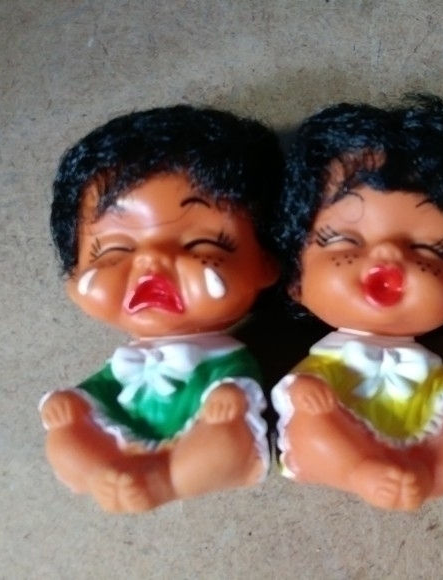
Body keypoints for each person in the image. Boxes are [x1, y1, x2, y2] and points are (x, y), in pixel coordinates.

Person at [41, 105, 281, 512]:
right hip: (122, 436)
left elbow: (237, 383)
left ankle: (167, 479)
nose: (151, 263)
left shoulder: (225, 357)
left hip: (195, 440)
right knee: (65, 435)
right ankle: (101, 475)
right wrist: (75, 405)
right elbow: (103, 388)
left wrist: (229, 396)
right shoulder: (126, 363)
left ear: (266, 263)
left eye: (200, 245)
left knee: (227, 437)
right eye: (115, 250)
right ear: (74, 282)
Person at [271, 93, 443, 510]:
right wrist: (307, 391)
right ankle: (357, 470)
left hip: (419, 441)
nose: (387, 256)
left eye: (428, 250)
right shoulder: (330, 363)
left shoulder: (429, 370)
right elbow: (301, 390)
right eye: (344, 241)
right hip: (342, 436)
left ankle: (426, 472)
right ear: (296, 279)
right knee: (313, 424)